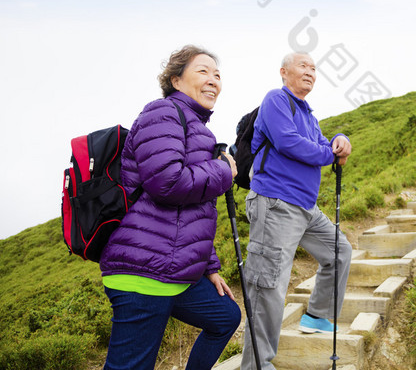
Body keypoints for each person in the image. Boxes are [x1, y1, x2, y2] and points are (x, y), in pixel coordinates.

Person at [100, 45, 242, 370]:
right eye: (203, 71)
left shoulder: (199, 129)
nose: (213, 80)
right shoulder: (162, 113)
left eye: (217, 75)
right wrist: (224, 170)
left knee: (225, 317)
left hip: (175, 270)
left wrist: (210, 267)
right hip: (144, 269)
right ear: (176, 81)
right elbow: (167, 183)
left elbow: (192, 214)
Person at [240, 51, 353, 370]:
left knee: (340, 252)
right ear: (284, 72)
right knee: (268, 285)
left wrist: (339, 140)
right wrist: (330, 154)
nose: (310, 72)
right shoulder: (275, 100)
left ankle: (317, 316)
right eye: (303, 66)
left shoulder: (308, 113)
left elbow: (322, 143)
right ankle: (257, 366)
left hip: (305, 208)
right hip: (275, 204)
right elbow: (288, 142)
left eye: (314, 68)